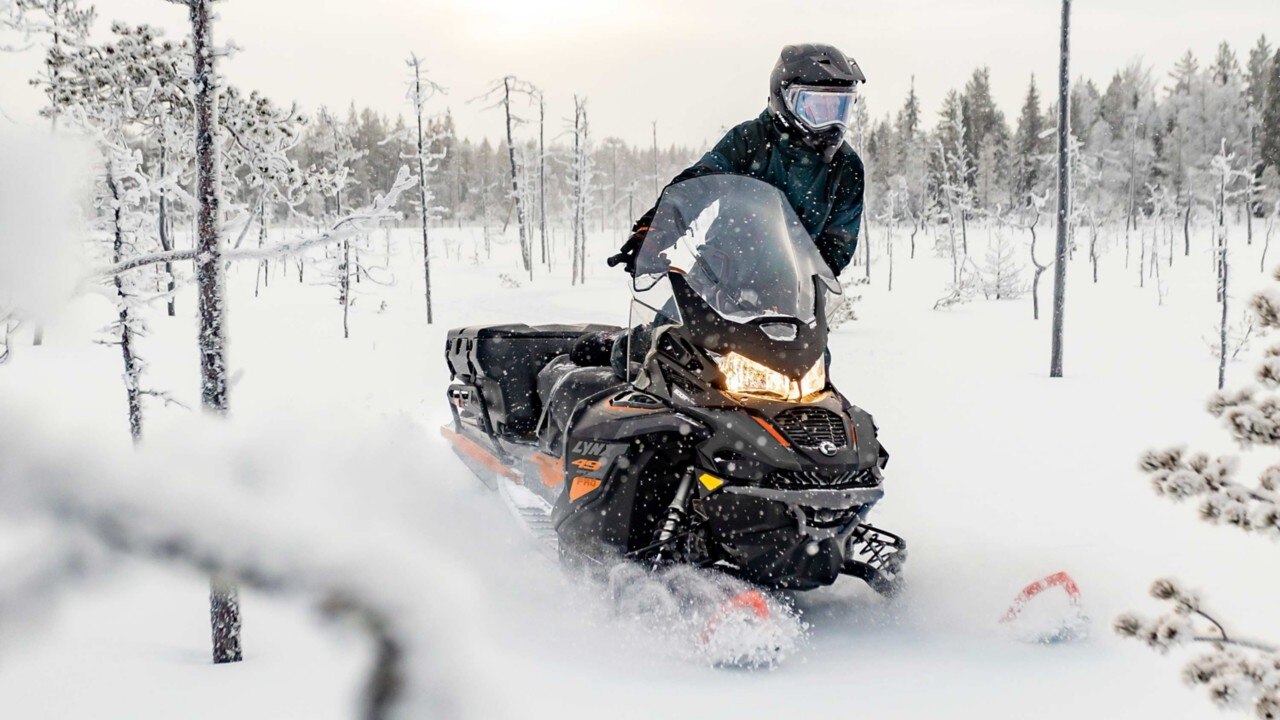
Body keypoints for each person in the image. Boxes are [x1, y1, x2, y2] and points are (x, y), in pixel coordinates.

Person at [608, 42, 868, 279]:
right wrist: (654, 232)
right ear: (784, 99)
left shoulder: (846, 166)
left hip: (791, 294)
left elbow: (838, 243)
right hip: (720, 278)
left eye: (840, 108)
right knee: (670, 328)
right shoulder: (750, 140)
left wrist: (806, 283)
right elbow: (699, 184)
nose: (832, 123)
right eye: (818, 107)